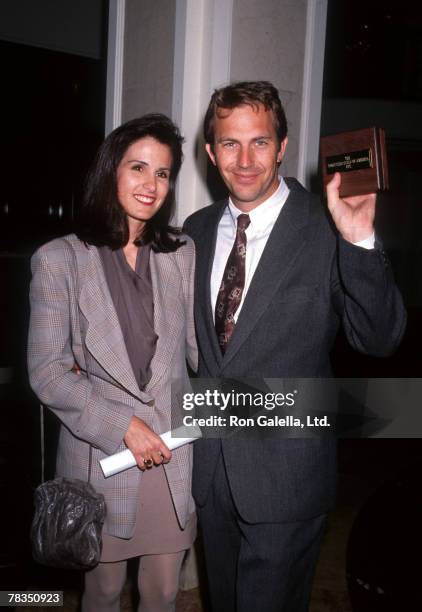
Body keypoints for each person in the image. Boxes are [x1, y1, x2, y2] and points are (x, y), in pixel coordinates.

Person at [183, 81, 406, 611]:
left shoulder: (327, 228)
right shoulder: (194, 230)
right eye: (229, 144)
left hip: (288, 475)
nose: (244, 160)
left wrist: (358, 239)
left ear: (283, 147)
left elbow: (379, 340)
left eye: (259, 142)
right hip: (211, 470)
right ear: (211, 152)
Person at [28, 114, 197, 612]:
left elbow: (196, 352)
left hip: (172, 453)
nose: (151, 185)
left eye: (163, 173)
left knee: (163, 591)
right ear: (111, 172)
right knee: (101, 592)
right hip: (101, 456)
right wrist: (122, 424)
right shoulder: (61, 259)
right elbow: (46, 370)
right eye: (138, 168)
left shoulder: (180, 252)